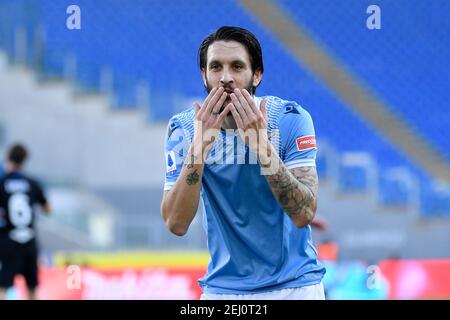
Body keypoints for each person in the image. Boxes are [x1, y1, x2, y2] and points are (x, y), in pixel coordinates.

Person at [160, 26, 325, 299]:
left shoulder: (289, 119)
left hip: (295, 286)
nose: (226, 78)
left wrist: (261, 146)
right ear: (204, 76)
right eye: (215, 67)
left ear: (256, 75)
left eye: (237, 67)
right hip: (224, 291)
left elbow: (303, 213)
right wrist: (199, 149)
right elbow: (176, 223)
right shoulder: (185, 130)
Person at [0, 144, 51, 300]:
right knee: (32, 287)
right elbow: (48, 209)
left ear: (8, 158)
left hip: (8, 240)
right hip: (29, 241)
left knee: (3, 286)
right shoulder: (32, 183)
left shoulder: (2, 183)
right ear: (24, 161)